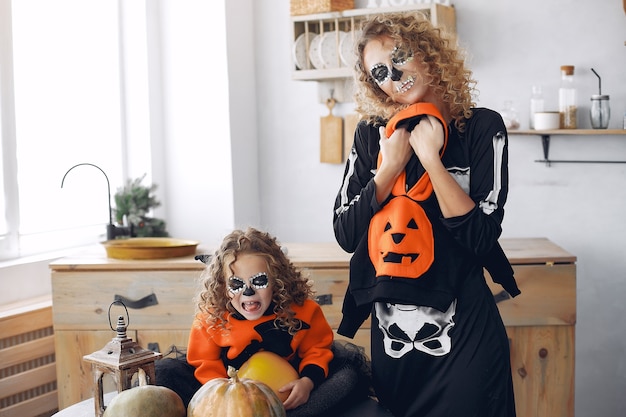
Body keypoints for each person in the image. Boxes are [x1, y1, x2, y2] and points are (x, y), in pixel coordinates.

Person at [333, 12, 519, 417]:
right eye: (379, 71)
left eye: (400, 55)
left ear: (428, 53)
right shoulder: (371, 135)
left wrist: (432, 162)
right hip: (393, 338)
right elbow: (346, 232)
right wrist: (388, 168)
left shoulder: (483, 128)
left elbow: (481, 238)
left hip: (465, 333)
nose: (394, 74)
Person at [156, 227, 370, 416]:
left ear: (277, 280)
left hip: (286, 385)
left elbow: (317, 349)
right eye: (236, 284)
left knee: (347, 377)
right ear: (222, 286)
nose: (248, 292)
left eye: (259, 281)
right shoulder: (210, 318)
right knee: (163, 373)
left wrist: (307, 382)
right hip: (227, 390)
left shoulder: (303, 311)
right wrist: (226, 397)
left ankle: (290, 413)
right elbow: (205, 363)